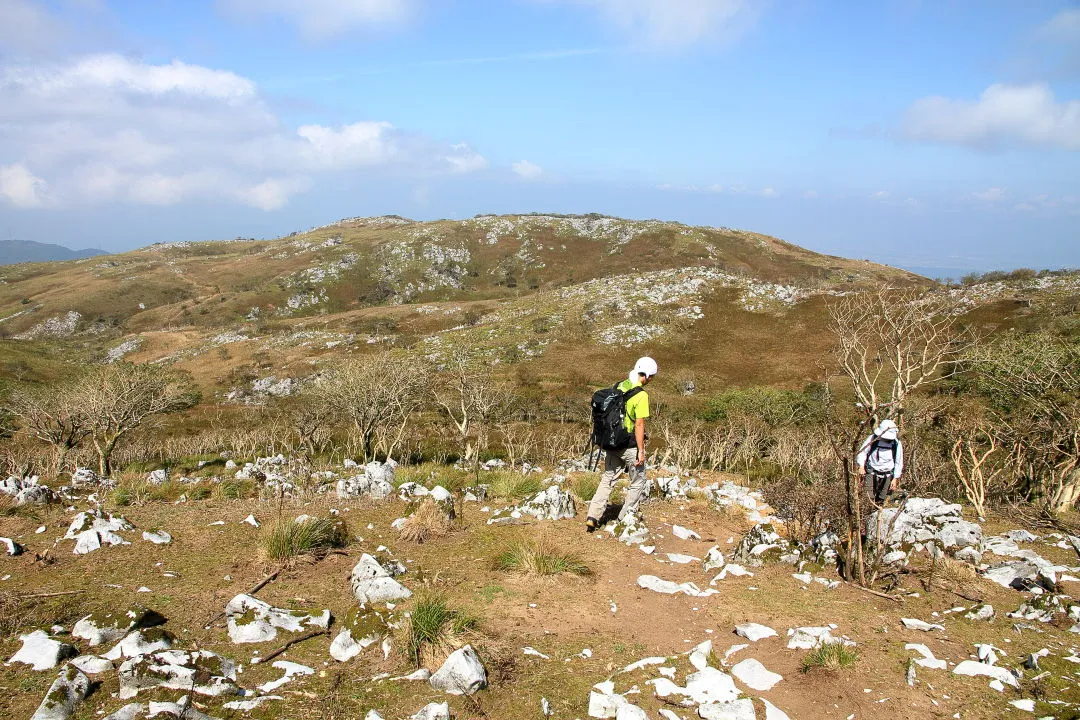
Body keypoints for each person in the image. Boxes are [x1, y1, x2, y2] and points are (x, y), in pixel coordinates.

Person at [585, 356, 657, 531]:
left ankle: (593, 516)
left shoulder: (619, 385)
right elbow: (639, 424)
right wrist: (641, 450)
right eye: (651, 376)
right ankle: (625, 518)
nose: (651, 380)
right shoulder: (641, 395)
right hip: (629, 445)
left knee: (608, 478)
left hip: (611, 442)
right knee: (638, 481)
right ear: (646, 375)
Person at [855, 418, 904, 504]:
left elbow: (898, 461)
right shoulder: (873, 438)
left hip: (888, 474)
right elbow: (862, 452)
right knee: (868, 497)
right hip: (871, 471)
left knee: (882, 498)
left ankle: (878, 513)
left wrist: (895, 478)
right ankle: (868, 512)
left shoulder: (896, 443)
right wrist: (861, 466)